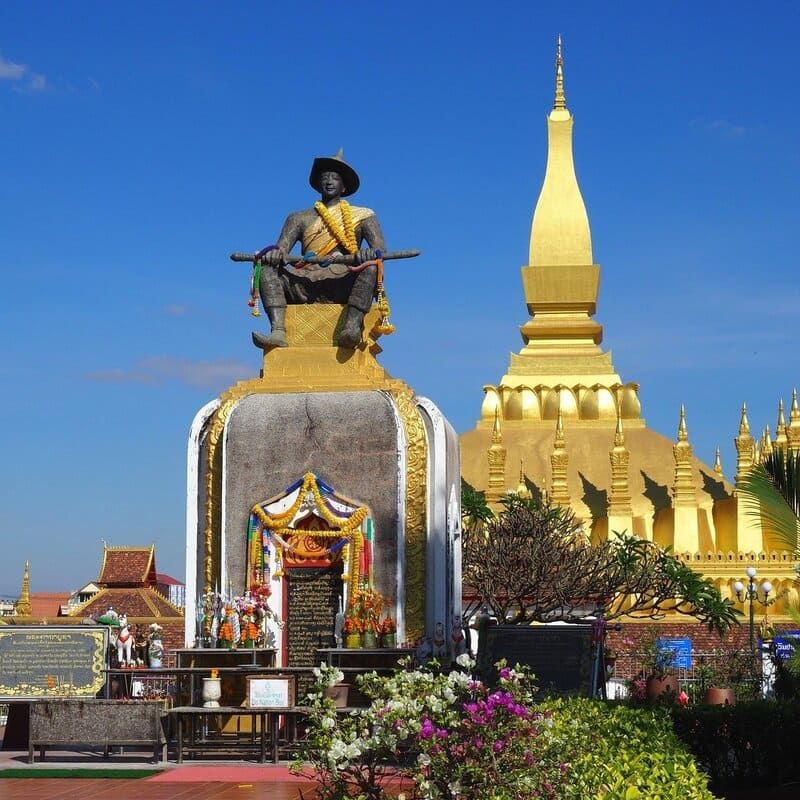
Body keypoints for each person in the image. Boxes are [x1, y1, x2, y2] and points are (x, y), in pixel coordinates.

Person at [252, 150, 386, 349]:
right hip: (304, 280)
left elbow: (379, 249)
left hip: (343, 280)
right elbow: (283, 248)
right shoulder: (297, 218)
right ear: (318, 184)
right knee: (265, 269)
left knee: (372, 268)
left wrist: (368, 253)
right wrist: (274, 255)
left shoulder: (363, 215)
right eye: (324, 178)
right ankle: (278, 330)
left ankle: (351, 327)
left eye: (334, 178)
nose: (329, 182)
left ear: (344, 186)